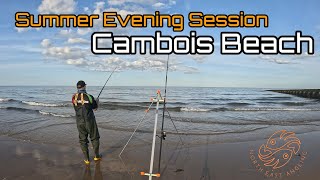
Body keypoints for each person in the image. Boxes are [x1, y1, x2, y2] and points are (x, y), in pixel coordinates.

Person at [72, 80, 101, 165]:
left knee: (83, 140)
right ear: (84, 86)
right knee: (94, 138)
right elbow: (95, 108)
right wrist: (97, 101)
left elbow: (77, 107)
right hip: (90, 121)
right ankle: (96, 156)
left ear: (77, 87)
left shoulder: (73, 97)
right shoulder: (89, 96)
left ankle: (87, 159)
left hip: (79, 121)